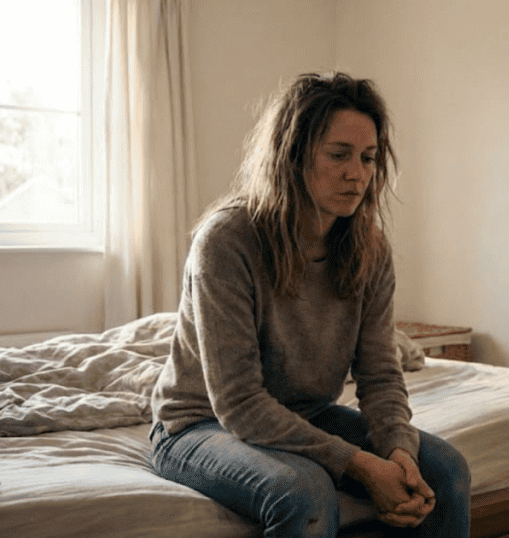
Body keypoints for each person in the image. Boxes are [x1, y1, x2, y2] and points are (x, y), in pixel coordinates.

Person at [148, 72, 471, 538]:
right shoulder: (226, 241)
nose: (357, 173)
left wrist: (398, 450)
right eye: (338, 155)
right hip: (198, 424)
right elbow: (238, 403)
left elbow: (380, 375)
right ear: (293, 154)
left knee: (447, 472)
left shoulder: (370, 249)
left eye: (368, 158)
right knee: (303, 490)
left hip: (306, 414)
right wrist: (359, 464)